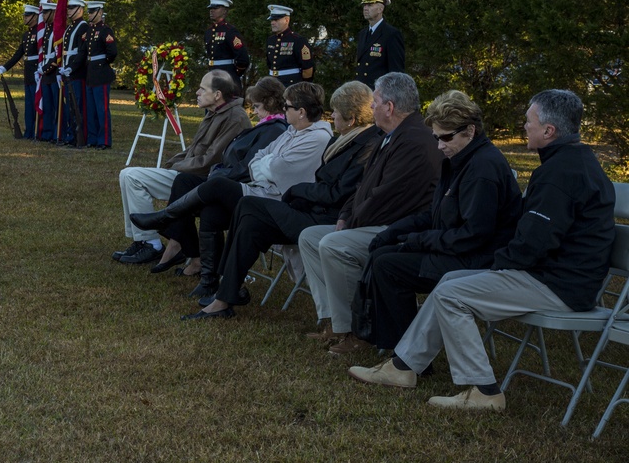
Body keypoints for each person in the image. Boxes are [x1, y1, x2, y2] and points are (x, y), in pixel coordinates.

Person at [349, 90, 616, 412]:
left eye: (528, 122)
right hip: (551, 275)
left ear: (549, 131)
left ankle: (485, 391)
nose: (523, 128)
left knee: (452, 293)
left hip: (559, 285)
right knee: (451, 283)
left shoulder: (562, 173)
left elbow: (532, 243)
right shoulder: (569, 163)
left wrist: (494, 267)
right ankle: (403, 368)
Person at [182, 81, 383, 319]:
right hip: (311, 208)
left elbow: (337, 193)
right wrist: (296, 187)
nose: (332, 116)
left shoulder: (365, 145)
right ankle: (224, 296)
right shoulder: (345, 139)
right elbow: (259, 160)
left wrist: (298, 190)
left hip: (324, 217)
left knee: (245, 204)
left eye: (336, 112)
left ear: (350, 118)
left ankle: (222, 291)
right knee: (247, 218)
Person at [132, 82, 333, 300]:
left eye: (288, 107)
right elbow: (258, 159)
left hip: (277, 200)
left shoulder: (317, 138)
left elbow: (278, 169)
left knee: (217, 186)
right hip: (261, 189)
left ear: (301, 112)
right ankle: (209, 281)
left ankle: (165, 216)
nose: (284, 110)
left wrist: (266, 164)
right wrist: (266, 164)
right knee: (211, 211)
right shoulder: (293, 132)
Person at [365, 90, 522, 349]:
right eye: (436, 138)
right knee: (383, 253)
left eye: (446, 137)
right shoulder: (459, 159)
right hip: (459, 250)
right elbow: (436, 214)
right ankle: (394, 342)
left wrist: (418, 241)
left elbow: (474, 235)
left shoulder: (482, 168)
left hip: (478, 259)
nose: (439, 146)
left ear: (470, 131)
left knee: (389, 266)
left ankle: (404, 352)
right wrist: (395, 231)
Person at [299, 72, 442, 354]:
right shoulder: (390, 136)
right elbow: (363, 187)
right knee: (309, 237)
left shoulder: (415, 141)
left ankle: (358, 330)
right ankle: (334, 321)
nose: (371, 108)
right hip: (373, 221)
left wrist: (351, 223)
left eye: (375, 102)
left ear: (389, 107)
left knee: (333, 244)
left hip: (397, 229)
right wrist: (344, 216)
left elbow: (388, 198)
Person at [137, 77, 289, 273]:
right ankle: (187, 250)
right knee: (183, 181)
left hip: (239, 186)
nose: (254, 111)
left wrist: (218, 173)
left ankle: (171, 231)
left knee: (191, 188)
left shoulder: (274, 128)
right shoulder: (265, 126)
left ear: (269, 104)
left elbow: (248, 167)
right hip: (225, 177)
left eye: (257, 105)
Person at [114, 70, 251, 265]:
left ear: (217, 95)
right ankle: (146, 241)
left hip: (201, 181)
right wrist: (174, 163)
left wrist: (177, 166)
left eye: (202, 89)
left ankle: (151, 245)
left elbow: (210, 161)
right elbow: (194, 150)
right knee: (128, 175)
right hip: (189, 174)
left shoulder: (234, 117)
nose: (197, 92)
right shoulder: (216, 112)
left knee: (132, 176)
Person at [0, 4, 40, 140]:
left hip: (37, 72)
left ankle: (37, 131)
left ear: (35, 17)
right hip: (28, 72)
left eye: (27, 16)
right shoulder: (26, 34)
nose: (24, 18)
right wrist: (5, 67)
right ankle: (29, 131)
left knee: (36, 104)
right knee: (28, 105)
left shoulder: (40, 33)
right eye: (24, 15)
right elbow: (18, 54)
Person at [82, 1, 117, 149]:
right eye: (89, 12)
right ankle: (92, 138)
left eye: (92, 12)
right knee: (91, 109)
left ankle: (104, 140)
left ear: (100, 12)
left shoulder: (105, 31)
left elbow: (112, 52)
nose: (89, 14)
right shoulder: (90, 31)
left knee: (101, 109)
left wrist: (102, 64)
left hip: (101, 73)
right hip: (90, 73)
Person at [355, 0, 404, 89]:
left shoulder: (391, 34)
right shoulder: (362, 34)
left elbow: (396, 73)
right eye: (364, 5)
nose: (365, 8)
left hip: (380, 95)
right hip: (362, 94)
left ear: (380, 9)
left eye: (370, 5)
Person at [58, 0, 89, 146]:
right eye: (69, 8)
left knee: (77, 105)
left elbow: (81, 52)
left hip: (76, 72)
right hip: (67, 71)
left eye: (72, 8)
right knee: (69, 104)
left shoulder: (83, 27)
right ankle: (70, 135)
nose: (69, 11)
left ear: (80, 9)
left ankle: (78, 136)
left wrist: (71, 67)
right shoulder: (70, 27)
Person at [204, 0, 249, 86]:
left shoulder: (230, 31)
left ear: (224, 11)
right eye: (211, 8)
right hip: (212, 75)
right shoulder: (209, 32)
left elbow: (243, 58)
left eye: (215, 8)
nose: (212, 10)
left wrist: (234, 74)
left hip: (227, 76)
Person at [265, 5, 313, 85]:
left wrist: (303, 87)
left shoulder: (298, 40)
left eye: (276, 20)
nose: (272, 23)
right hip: (272, 85)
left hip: (291, 85)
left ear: (286, 20)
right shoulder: (271, 40)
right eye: (272, 20)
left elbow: (307, 69)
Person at [36, 2, 59, 142]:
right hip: (45, 71)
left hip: (53, 71)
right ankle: (47, 132)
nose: (43, 15)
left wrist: (47, 68)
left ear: (52, 13)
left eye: (45, 13)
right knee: (48, 105)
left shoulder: (57, 30)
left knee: (57, 105)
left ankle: (57, 133)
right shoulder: (46, 29)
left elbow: (58, 54)